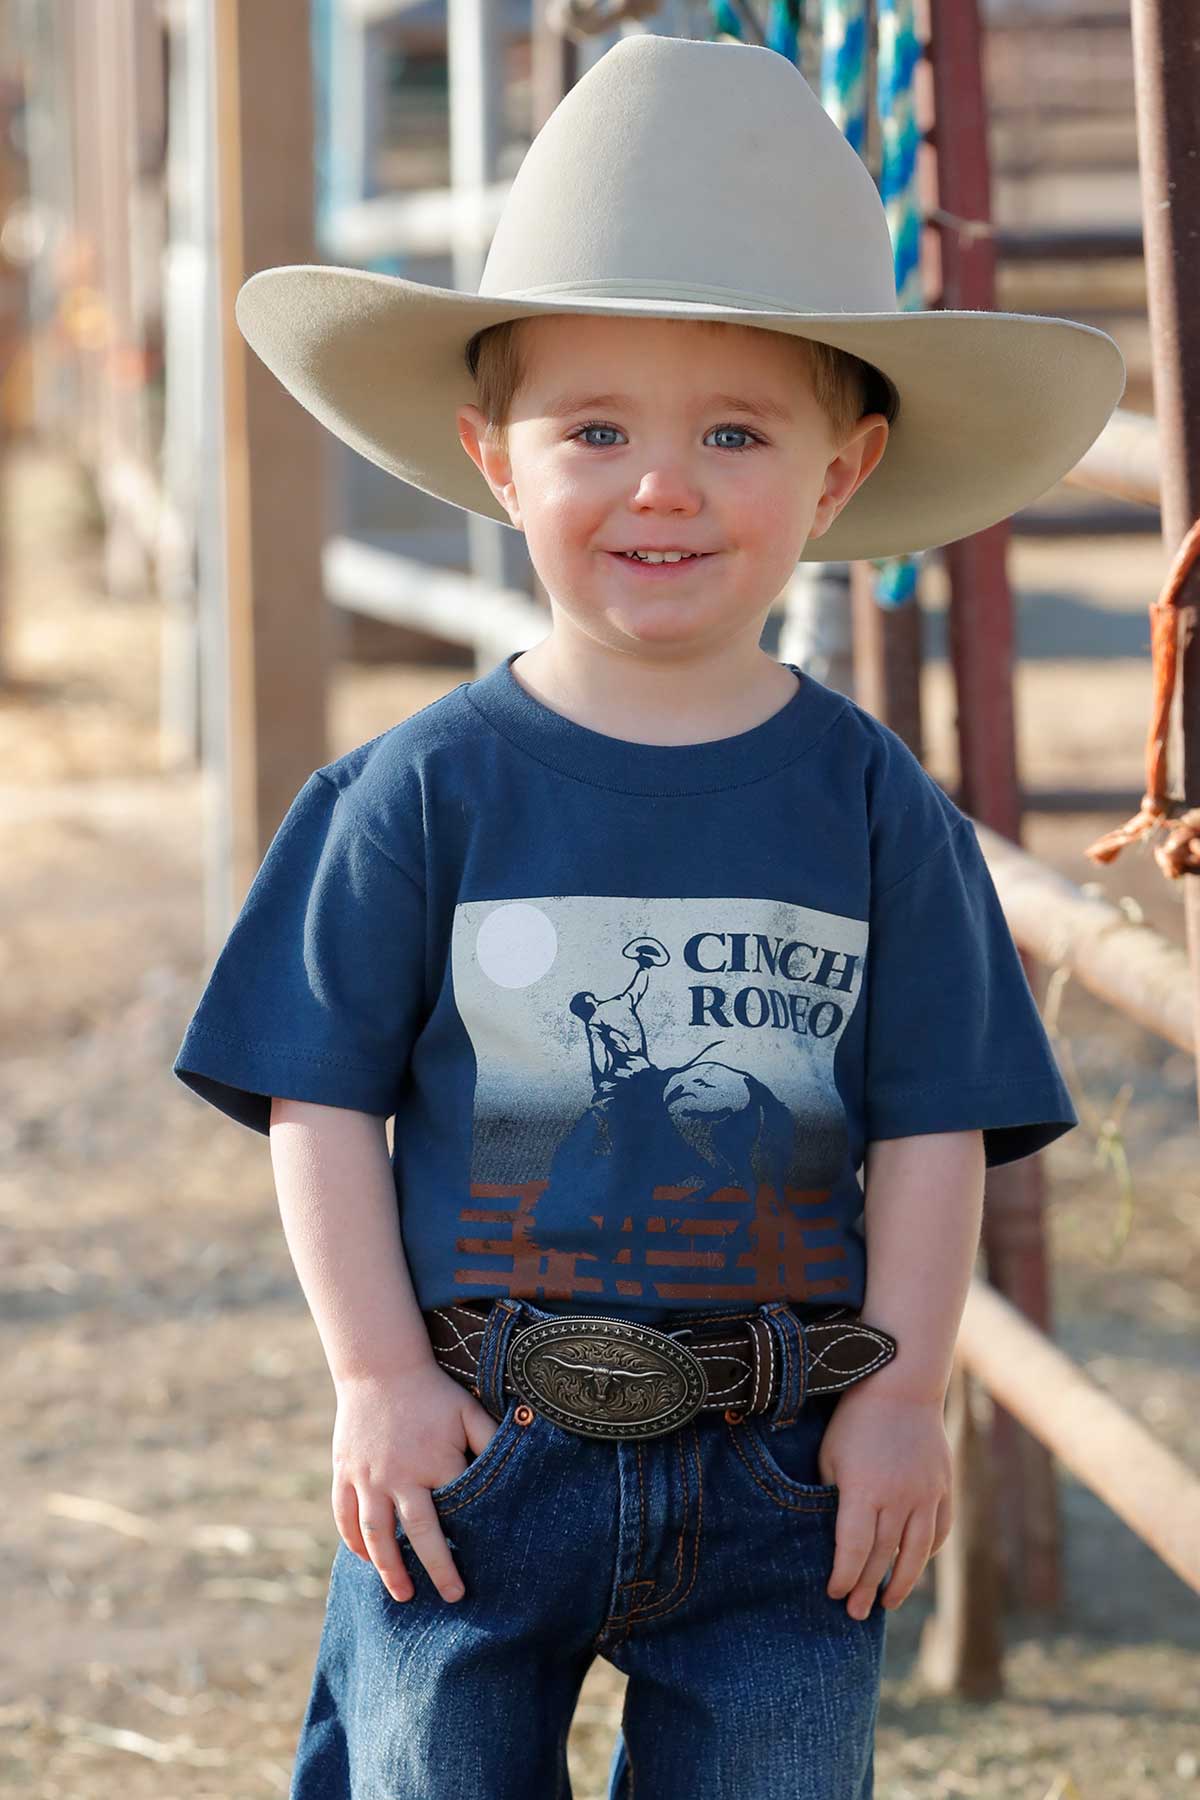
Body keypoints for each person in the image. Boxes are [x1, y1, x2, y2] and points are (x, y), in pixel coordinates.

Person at [173, 33, 1124, 1800]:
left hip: (784, 1456)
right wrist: (377, 1380)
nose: (661, 483)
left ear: (840, 479)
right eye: (594, 427)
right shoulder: (421, 793)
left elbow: (934, 1123)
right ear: (494, 456)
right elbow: (320, 1101)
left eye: (734, 432)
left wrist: (903, 1395)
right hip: (481, 1438)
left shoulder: (874, 811)